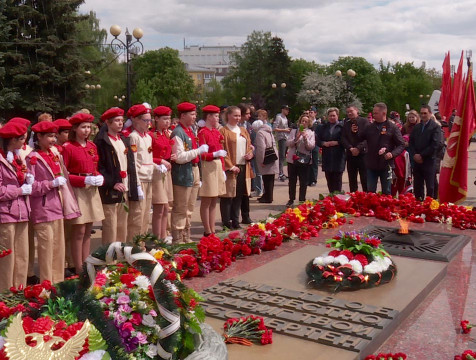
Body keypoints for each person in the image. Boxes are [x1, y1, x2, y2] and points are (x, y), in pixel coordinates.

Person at [26, 121, 80, 283]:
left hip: (57, 206)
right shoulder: (32, 158)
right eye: (49, 136)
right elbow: (31, 187)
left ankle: (58, 283)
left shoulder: (53, 154)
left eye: (54, 136)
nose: (53, 139)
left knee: (58, 248)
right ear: (39, 137)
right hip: (43, 209)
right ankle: (47, 284)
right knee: (46, 249)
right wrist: (50, 184)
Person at [62, 112, 105, 274]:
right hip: (78, 189)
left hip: (91, 189)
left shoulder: (92, 146)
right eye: (83, 127)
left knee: (88, 229)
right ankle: (78, 266)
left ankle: (87, 263)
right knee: (78, 230)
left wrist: (98, 176)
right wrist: (83, 180)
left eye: (89, 127)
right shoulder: (68, 148)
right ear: (75, 128)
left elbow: (94, 167)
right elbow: (64, 174)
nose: (87, 130)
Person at [94, 107, 139, 245]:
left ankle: (120, 254)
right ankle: (109, 257)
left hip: (124, 187)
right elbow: (99, 166)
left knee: (122, 226)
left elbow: (130, 163)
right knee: (110, 226)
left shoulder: (124, 139)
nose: (121, 123)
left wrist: (133, 184)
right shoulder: (102, 141)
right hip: (111, 188)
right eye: (117, 121)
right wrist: (111, 182)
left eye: (122, 120)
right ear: (108, 122)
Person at [171, 102, 209, 243]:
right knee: (181, 207)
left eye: (195, 114)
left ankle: (186, 235)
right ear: (183, 116)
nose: (195, 117)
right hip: (182, 173)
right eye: (192, 114)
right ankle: (178, 237)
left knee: (190, 207)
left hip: (193, 171)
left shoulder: (191, 130)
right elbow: (180, 157)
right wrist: (198, 151)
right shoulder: (178, 133)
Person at [0, 121, 31, 290]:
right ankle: (5, 292)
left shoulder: (17, 157)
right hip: (5, 214)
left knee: (22, 255)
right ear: (12, 139)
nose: (24, 143)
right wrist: (20, 190)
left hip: (21, 212)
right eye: (21, 139)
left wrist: (28, 180)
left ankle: (20, 290)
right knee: (7, 258)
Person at [219, 106, 254, 229]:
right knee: (228, 196)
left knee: (239, 195)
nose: (238, 118)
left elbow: (249, 145)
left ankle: (235, 220)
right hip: (231, 168)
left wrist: (250, 154)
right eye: (235, 115)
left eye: (239, 115)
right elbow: (222, 151)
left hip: (243, 166)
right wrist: (230, 166)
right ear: (228, 116)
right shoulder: (223, 131)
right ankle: (226, 222)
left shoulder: (243, 130)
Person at [360, 103, 405, 195]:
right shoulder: (369, 127)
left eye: (376, 113)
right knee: (370, 191)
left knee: (387, 191)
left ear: (383, 113)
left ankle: (386, 208)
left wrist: (392, 154)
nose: (373, 115)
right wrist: (355, 132)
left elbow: (401, 144)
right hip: (371, 164)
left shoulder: (392, 127)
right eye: (373, 113)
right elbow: (360, 139)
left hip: (386, 164)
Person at [198, 105, 227, 236]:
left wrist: (223, 169)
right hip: (207, 165)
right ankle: (207, 229)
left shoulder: (216, 132)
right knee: (207, 199)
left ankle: (212, 228)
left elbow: (221, 151)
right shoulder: (202, 132)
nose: (217, 118)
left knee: (214, 199)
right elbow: (202, 154)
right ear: (208, 117)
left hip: (216, 165)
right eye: (215, 116)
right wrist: (214, 155)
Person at [126, 104, 154, 240]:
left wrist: (156, 166)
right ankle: (134, 245)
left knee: (146, 215)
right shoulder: (134, 137)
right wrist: (136, 184)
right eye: (145, 120)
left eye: (150, 120)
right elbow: (134, 162)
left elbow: (148, 157)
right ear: (136, 120)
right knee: (137, 215)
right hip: (140, 179)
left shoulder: (148, 137)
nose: (148, 123)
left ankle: (142, 243)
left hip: (149, 178)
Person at [149, 106, 175, 240]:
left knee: (166, 207)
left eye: (169, 118)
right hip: (156, 171)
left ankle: (163, 236)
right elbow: (146, 157)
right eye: (164, 119)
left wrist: (172, 157)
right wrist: (160, 161)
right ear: (156, 119)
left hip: (166, 171)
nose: (167, 121)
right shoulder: (151, 135)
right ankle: (157, 237)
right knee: (160, 207)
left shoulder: (167, 134)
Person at [408, 105, 442, 200]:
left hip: (429, 160)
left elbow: (435, 144)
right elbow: (411, 142)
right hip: (417, 161)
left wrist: (422, 155)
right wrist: (414, 154)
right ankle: (418, 203)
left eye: (425, 113)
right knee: (418, 185)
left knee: (430, 186)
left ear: (430, 114)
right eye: (421, 113)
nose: (423, 115)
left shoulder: (435, 127)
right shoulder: (417, 127)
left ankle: (430, 205)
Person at [285, 115, 315, 207]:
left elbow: (311, 146)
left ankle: (302, 199)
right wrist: (296, 138)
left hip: (304, 160)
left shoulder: (310, 133)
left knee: (303, 180)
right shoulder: (294, 131)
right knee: (292, 180)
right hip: (293, 159)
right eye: (302, 121)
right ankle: (291, 199)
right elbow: (288, 143)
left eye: (306, 121)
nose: (304, 123)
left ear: (308, 123)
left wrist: (305, 138)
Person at [316, 108, 346, 193]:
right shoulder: (323, 127)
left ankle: (337, 198)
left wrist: (337, 142)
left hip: (338, 157)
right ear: (327, 117)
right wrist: (323, 143)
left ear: (337, 116)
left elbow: (346, 140)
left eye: (334, 115)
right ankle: (331, 199)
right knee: (329, 180)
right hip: (327, 157)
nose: (332, 117)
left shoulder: (342, 127)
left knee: (337, 180)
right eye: (330, 116)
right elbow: (317, 140)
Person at [341, 105, 368, 192]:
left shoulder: (365, 122)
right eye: (348, 112)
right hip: (351, 155)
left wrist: (358, 148)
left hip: (363, 154)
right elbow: (343, 138)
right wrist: (350, 148)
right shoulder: (346, 123)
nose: (349, 113)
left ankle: (367, 197)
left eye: (351, 111)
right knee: (352, 179)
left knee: (365, 178)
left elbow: (368, 138)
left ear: (357, 111)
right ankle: (354, 198)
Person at [254, 119, 278, 203]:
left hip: (265, 157)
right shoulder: (269, 131)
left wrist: (261, 160)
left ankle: (268, 197)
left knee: (266, 179)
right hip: (272, 155)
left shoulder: (260, 133)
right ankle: (268, 195)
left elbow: (261, 147)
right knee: (271, 178)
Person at [273, 105, 291, 181]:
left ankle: (282, 172)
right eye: (286, 109)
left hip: (286, 137)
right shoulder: (279, 117)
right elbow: (274, 128)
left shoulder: (285, 118)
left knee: (284, 156)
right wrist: (285, 130)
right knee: (281, 155)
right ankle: (280, 173)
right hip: (281, 138)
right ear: (283, 109)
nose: (288, 111)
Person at [308, 106, 320, 186]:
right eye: (309, 112)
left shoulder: (318, 123)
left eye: (311, 112)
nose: (310, 114)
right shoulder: (306, 122)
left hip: (315, 144)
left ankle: (314, 180)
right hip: (307, 144)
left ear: (315, 113)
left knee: (314, 162)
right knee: (307, 161)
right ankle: (307, 179)